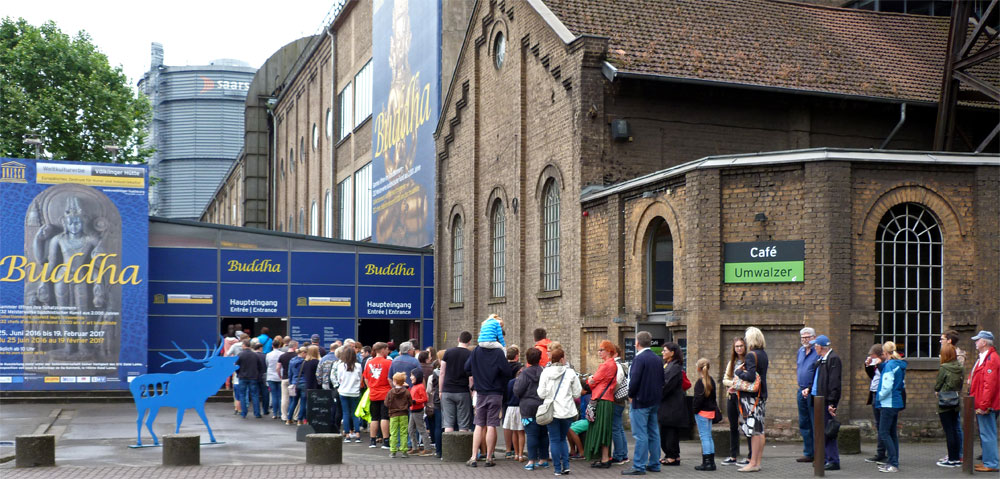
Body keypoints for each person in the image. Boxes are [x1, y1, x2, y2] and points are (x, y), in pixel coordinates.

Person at [464, 329, 513, 467]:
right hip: (495, 392)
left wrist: (477, 374)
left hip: (480, 392)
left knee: (479, 424)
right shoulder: (498, 352)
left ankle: (473, 457)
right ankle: (489, 458)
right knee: (491, 424)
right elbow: (507, 372)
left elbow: (466, 368)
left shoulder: (476, 351)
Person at [623, 331, 664, 476]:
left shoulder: (639, 359)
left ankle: (639, 466)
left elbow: (634, 380)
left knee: (640, 434)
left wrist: (631, 395)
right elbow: (661, 380)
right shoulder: (657, 359)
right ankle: (654, 463)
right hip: (654, 400)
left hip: (640, 401)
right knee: (653, 432)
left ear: (637, 343)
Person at [537, 348, 582, 476]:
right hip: (567, 410)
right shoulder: (570, 373)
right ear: (562, 359)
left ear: (551, 359)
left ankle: (557, 469)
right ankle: (566, 466)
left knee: (554, 439)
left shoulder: (545, 373)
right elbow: (577, 392)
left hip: (551, 411)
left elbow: (541, 393)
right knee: (563, 439)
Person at [803, 335, 841, 471]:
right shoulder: (821, 360)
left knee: (828, 431)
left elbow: (834, 383)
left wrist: (832, 403)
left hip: (825, 402)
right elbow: (816, 378)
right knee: (819, 431)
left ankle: (833, 460)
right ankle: (822, 458)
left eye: (816, 346)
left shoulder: (833, 359)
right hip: (816, 399)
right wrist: (808, 388)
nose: (814, 348)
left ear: (821, 347)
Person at [736, 326, 768, 473]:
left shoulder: (751, 355)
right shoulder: (763, 354)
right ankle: (758, 462)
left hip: (751, 398)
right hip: (761, 395)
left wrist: (738, 372)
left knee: (754, 431)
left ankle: (753, 463)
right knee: (760, 430)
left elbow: (750, 377)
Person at [515, 346, 550, 471]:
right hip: (543, 407)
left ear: (528, 359)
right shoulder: (544, 371)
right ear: (540, 358)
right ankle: (544, 459)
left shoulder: (524, 373)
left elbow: (518, 390)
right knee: (544, 434)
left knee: (531, 435)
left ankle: (531, 461)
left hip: (528, 408)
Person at [875, 341, 906, 473]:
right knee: (892, 434)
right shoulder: (898, 365)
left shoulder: (890, 366)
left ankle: (893, 463)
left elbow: (886, 387)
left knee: (884, 433)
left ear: (885, 353)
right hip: (896, 402)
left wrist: (878, 397)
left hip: (888, 403)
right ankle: (892, 461)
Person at [970, 330, 999, 473]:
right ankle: (988, 461)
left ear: (984, 342)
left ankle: (991, 463)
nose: (975, 342)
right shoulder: (986, 358)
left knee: (988, 434)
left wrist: (984, 405)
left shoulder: (990, 359)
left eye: (978, 340)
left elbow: (989, 385)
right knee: (986, 434)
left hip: (986, 404)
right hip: (984, 402)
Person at [585, 340, 618, 468]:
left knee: (601, 430)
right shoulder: (613, 364)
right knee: (604, 430)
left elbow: (592, 381)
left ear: (609, 351)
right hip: (607, 399)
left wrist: (589, 379)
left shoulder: (605, 365)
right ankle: (604, 457)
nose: (599, 352)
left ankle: (604, 459)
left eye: (601, 350)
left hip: (601, 399)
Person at [722, 337, 751, 466]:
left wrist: (737, 385)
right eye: (736, 346)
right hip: (731, 396)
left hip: (744, 397)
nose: (739, 348)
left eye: (741, 346)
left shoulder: (749, 361)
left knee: (747, 426)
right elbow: (725, 379)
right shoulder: (732, 362)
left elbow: (750, 380)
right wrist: (734, 383)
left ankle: (750, 456)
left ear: (745, 347)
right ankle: (733, 456)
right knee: (733, 426)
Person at [657, 342, 687, 467]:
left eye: (665, 350)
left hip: (672, 405)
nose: (662, 353)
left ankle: (673, 456)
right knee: (666, 430)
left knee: (670, 431)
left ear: (672, 352)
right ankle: (671, 455)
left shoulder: (675, 366)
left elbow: (668, 385)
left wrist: (657, 394)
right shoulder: (668, 365)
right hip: (667, 404)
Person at [935, 342, 963, 468]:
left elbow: (938, 384)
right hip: (955, 400)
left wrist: (937, 390)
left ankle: (951, 459)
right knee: (955, 429)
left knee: (949, 431)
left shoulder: (944, 367)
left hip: (944, 401)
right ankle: (957, 457)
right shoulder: (960, 367)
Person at [440, 331, 474, 433]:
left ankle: (449, 448)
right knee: (463, 424)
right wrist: (472, 393)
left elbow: (442, 372)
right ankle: (463, 448)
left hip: (447, 390)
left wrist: (440, 391)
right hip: (462, 391)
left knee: (448, 423)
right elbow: (471, 377)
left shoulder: (448, 352)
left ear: (458, 339)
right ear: (469, 341)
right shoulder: (470, 354)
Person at [364, 342, 394, 449]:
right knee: (385, 417)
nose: (387, 351)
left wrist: (371, 388)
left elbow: (366, 379)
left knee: (374, 417)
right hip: (385, 393)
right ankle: (386, 441)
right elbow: (390, 379)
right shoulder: (388, 363)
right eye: (386, 349)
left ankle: (372, 441)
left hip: (373, 393)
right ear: (382, 350)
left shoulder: (369, 363)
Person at [795, 327, 818, 463]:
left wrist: (810, 388)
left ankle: (818, 453)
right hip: (801, 390)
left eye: (808, 337)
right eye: (803, 337)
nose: (805, 339)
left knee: (815, 422)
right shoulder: (800, 351)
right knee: (804, 423)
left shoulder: (818, 351)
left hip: (813, 392)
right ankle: (808, 452)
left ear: (814, 337)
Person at [863, 344, 887, 465]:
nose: (871, 357)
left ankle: (883, 453)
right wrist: (868, 365)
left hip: (881, 396)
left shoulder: (886, 364)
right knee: (879, 425)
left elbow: (885, 376)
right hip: (874, 394)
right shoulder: (877, 364)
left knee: (883, 426)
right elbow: (873, 377)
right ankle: (880, 453)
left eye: (873, 355)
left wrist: (878, 364)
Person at [692, 358, 717, 471]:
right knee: (709, 437)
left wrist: (694, 410)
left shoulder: (699, 382)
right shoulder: (711, 380)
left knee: (704, 437)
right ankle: (711, 462)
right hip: (710, 412)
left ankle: (706, 463)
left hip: (701, 413)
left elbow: (698, 400)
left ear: (698, 368)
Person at [336, 345, 363, 442]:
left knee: (345, 413)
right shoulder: (358, 366)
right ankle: (357, 434)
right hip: (355, 392)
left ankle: (347, 434)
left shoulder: (340, 366)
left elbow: (339, 379)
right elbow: (360, 378)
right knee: (355, 413)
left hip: (343, 391)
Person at [503, 348, 524, 460]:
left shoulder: (503, 366)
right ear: (517, 356)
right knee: (519, 429)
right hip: (519, 402)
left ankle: (508, 450)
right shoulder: (520, 367)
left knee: (507, 425)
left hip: (507, 399)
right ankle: (519, 453)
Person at [385, 372, 413, 458]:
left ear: (394, 381)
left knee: (393, 433)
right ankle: (404, 450)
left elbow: (386, 403)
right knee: (404, 432)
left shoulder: (390, 392)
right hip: (404, 414)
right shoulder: (406, 392)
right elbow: (410, 403)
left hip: (393, 414)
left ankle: (393, 451)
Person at [235, 339, 265, 418]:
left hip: (242, 377)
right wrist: (258, 375)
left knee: (242, 395)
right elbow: (260, 367)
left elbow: (236, 366)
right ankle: (257, 413)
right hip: (253, 377)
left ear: (244, 345)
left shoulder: (240, 355)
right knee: (255, 395)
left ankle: (244, 413)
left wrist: (239, 373)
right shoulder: (255, 355)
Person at [611, 345, 629, 465]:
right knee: (619, 428)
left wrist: (609, 391)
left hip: (616, 400)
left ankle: (619, 455)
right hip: (620, 400)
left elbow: (616, 382)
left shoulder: (617, 366)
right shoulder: (622, 365)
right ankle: (623, 454)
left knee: (615, 428)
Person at [407, 368, 431, 455]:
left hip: (417, 410)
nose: (410, 377)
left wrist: (415, 401)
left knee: (421, 429)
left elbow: (425, 398)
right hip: (413, 410)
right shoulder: (415, 386)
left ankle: (427, 448)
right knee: (411, 429)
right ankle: (415, 447)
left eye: (412, 375)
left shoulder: (420, 386)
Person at [277, 340, 299, 422]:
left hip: (285, 378)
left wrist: (280, 376)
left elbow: (278, 368)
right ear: (295, 346)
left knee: (284, 398)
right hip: (294, 379)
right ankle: (295, 415)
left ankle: (284, 416)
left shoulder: (282, 356)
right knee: (296, 398)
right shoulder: (297, 356)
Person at [285, 347, 307, 424]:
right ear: (303, 353)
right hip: (304, 383)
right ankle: (299, 420)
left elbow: (290, 373)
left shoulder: (292, 361)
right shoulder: (305, 362)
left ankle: (289, 419)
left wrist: (291, 383)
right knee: (303, 402)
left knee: (293, 402)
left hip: (294, 383)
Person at [265, 338, 284, 419]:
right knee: (280, 395)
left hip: (271, 376)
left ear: (272, 345)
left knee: (273, 395)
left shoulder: (268, 355)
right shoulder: (282, 354)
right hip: (280, 376)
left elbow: (267, 364)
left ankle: (274, 413)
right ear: (279, 345)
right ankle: (280, 413)